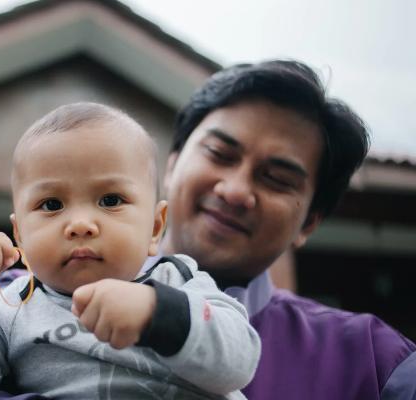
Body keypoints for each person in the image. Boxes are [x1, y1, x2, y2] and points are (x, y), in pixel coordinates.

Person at [0, 102, 261, 400]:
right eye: (51, 204)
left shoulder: (179, 280)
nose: (79, 224)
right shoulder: (10, 309)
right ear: (20, 235)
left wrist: (158, 313)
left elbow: (240, 359)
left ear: (154, 227)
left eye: (110, 200)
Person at [157, 60, 416, 399]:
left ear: (308, 223)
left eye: (277, 179)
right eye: (220, 153)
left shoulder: (374, 363)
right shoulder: (70, 303)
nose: (234, 191)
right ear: (172, 164)